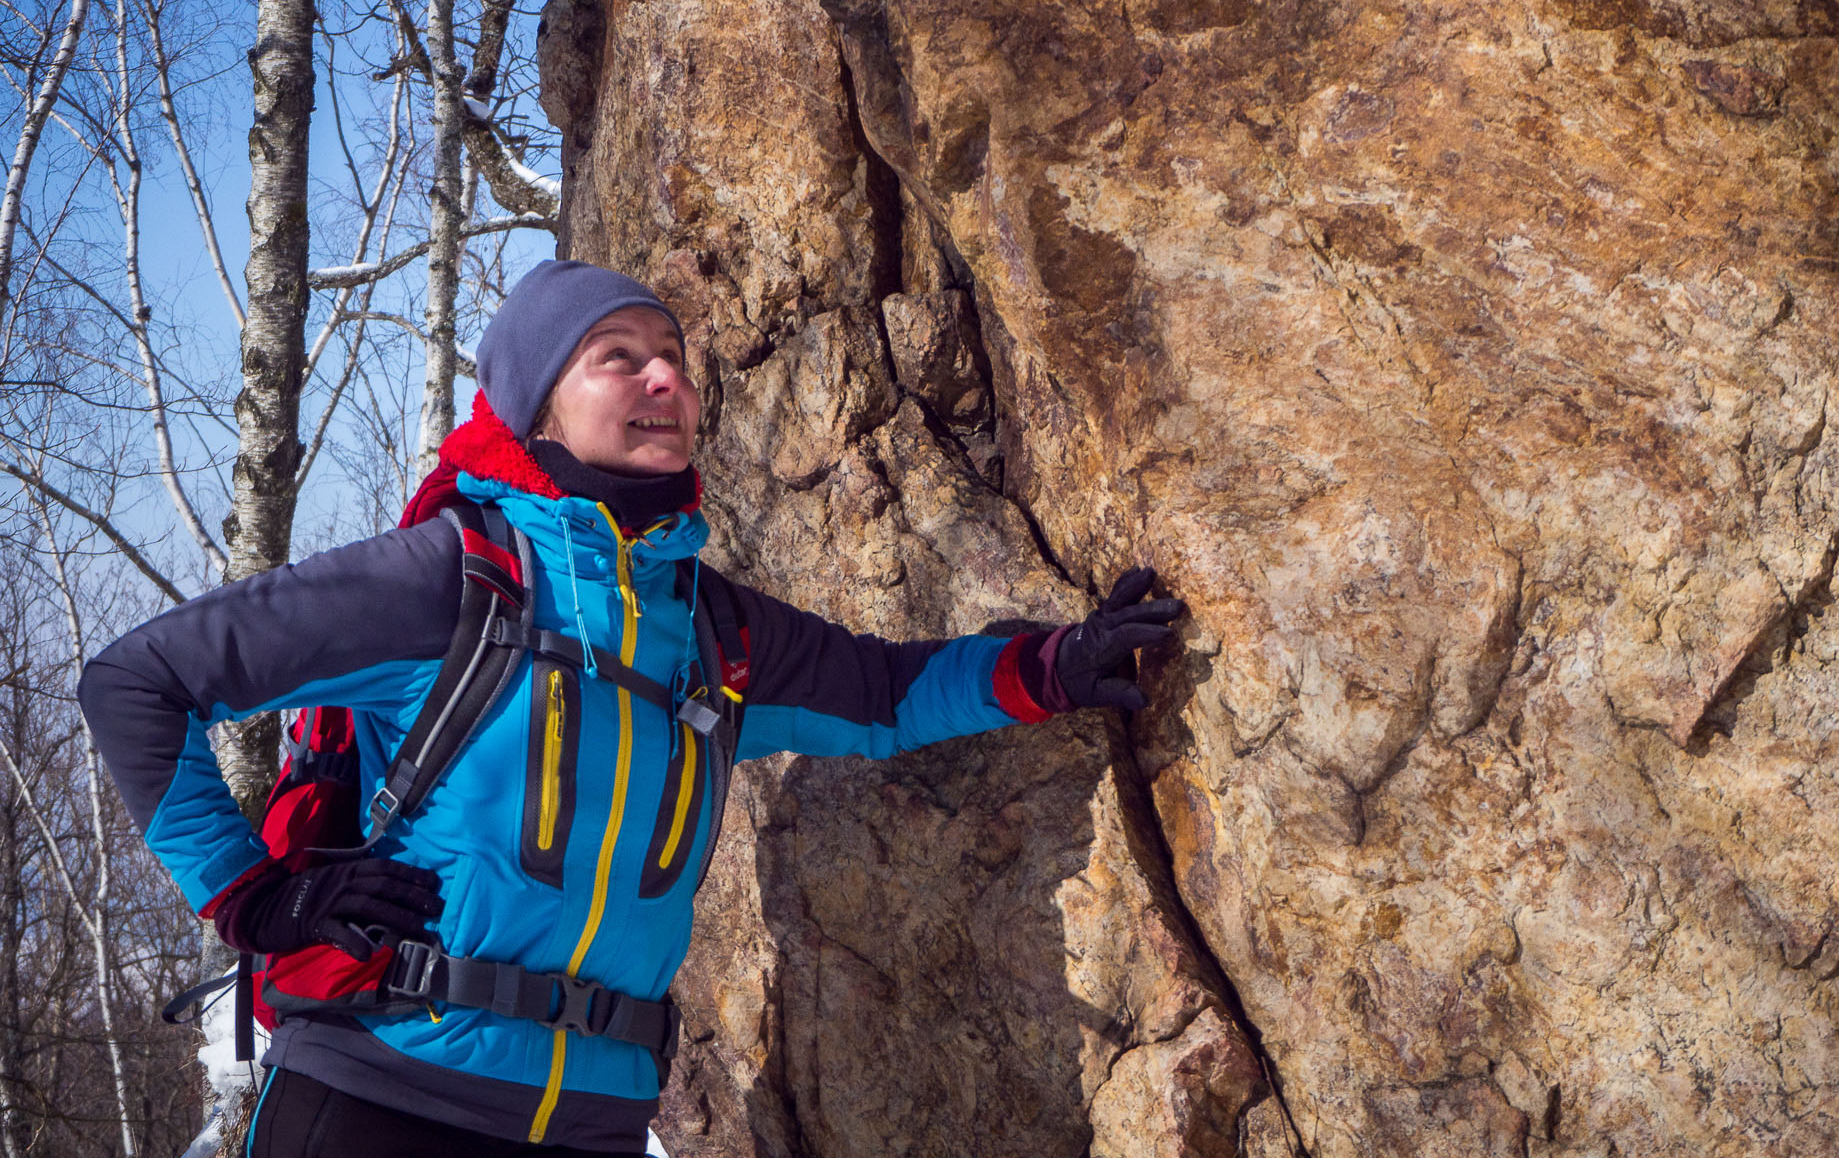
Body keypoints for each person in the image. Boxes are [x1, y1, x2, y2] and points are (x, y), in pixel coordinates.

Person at [77, 260, 1183, 1155]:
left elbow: (885, 693)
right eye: (619, 358)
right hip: (383, 1096)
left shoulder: (708, 627)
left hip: (597, 1120)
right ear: (540, 402)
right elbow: (136, 679)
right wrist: (250, 894)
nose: (664, 380)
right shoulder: (441, 578)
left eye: (675, 360)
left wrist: (1051, 667)